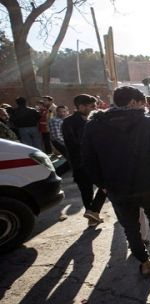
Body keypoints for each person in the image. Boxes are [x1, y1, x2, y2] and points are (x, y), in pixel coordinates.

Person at [82, 86, 150, 277]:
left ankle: (144, 262)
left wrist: (103, 184)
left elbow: (89, 160)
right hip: (148, 184)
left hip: (116, 187)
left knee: (130, 226)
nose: (144, 108)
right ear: (132, 102)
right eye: (142, 104)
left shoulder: (94, 125)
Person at [62, 94, 107, 227]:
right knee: (87, 190)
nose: (96, 108)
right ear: (81, 107)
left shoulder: (95, 119)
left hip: (95, 160)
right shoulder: (69, 122)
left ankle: (93, 212)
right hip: (81, 162)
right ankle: (93, 215)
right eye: (92, 106)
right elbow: (73, 143)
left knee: (105, 185)